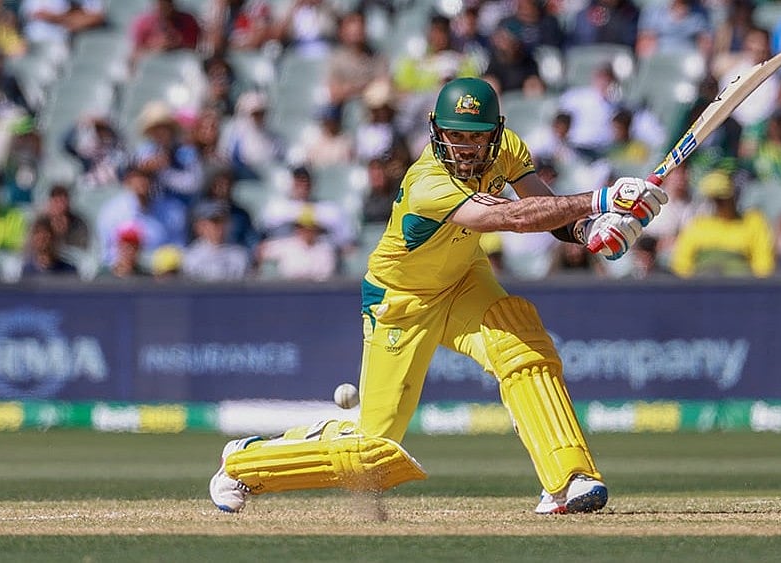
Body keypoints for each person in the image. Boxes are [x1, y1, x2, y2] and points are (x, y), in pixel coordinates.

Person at [209, 77, 667, 515]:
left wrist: (594, 229)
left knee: (522, 341)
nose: (465, 147)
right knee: (373, 449)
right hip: (400, 301)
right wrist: (603, 199)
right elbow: (510, 219)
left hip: (464, 279)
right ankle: (246, 462)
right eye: (454, 135)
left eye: (476, 136)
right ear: (435, 131)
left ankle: (568, 481)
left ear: (496, 134)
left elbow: (544, 208)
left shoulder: (507, 151)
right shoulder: (428, 182)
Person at [669, 170, 775, 278]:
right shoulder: (697, 226)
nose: (717, 204)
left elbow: (763, 265)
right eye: (713, 200)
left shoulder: (753, 222)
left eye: (721, 199)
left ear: (733, 196)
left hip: (741, 288)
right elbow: (681, 265)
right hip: (703, 288)